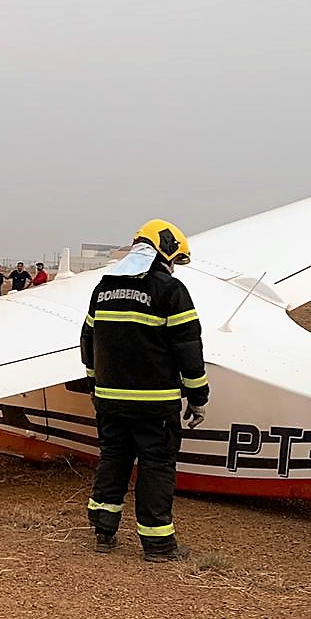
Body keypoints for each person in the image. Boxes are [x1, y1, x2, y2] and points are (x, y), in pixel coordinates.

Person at [74, 219, 207, 562]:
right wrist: (198, 396)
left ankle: (104, 532)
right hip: (155, 403)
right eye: (175, 260)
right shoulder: (170, 291)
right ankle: (158, 544)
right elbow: (188, 348)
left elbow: (88, 341)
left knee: (114, 459)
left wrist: (95, 384)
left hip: (109, 400)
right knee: (156, 466)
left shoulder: (103, 288)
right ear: (166, 252)